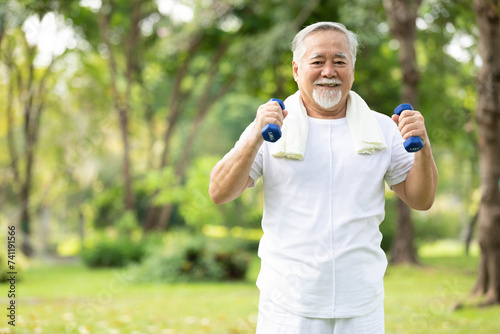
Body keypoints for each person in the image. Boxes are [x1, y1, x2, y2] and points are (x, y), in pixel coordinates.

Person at [209, 22, 438, 334]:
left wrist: (422, 146)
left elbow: (422, 199)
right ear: (296, 69)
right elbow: (220, 192)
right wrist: (253, 137)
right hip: (288, 302)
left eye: (340, 61)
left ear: (352, 69)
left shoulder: (383, 129)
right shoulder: (270, 127)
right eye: (317, 61)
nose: (329, 71)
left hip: (361, 302)